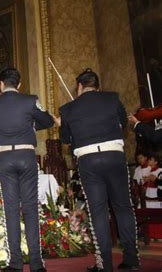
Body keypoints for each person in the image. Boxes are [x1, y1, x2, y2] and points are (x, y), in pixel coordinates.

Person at [55, 69, 139, 271]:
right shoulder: (112, 98)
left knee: (98, 211)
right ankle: (131, 260)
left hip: (89, 160)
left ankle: (105, 265)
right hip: (114, 156)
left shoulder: (68, 109)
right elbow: (121, 123)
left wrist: (62, 124)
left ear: (79, 87)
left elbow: (66, 139)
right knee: (123, 207)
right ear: (98, 87)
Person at [0, 67, 53, 272]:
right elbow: (48, 121)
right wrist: (29, 123)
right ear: (20, 84)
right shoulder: (30, 100)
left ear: (1, 84)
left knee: (11, 209)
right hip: (26, 155)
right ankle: (36, 263)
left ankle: (15, 263)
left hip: (5, 157)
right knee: (31, 208)